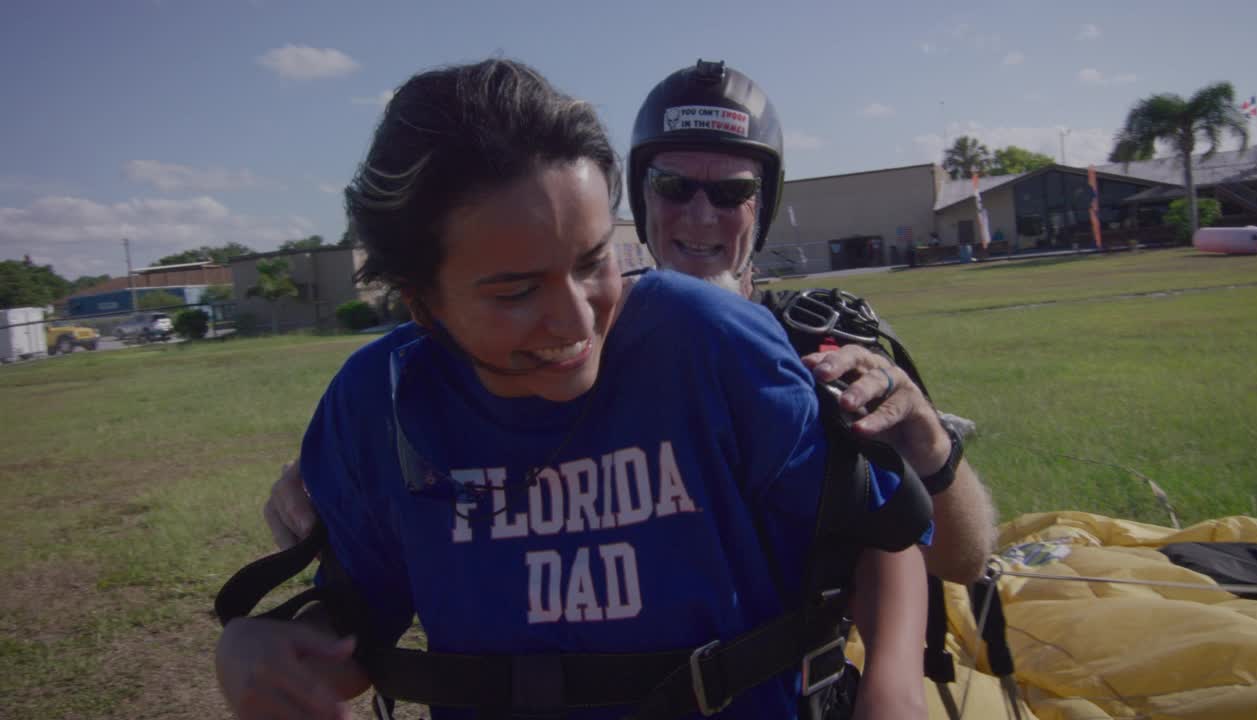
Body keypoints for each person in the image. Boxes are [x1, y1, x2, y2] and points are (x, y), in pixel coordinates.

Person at [217, 59, 927, 720]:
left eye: (594, 262)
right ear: (422, 302)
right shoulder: (385, 400)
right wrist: (265, 649)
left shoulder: (708, 343)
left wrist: (893, 690)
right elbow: (353, 629)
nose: (576, 319)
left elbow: (879, 537)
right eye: (516, 291)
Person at [264, 60, 996, 584]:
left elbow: (958, 561)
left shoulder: (822, 347)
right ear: (638, 196)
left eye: (731, 190)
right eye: (673, 186)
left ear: (763, 203)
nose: (699, 214)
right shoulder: (575, 331)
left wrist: (923, 436)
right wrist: (345, 467)